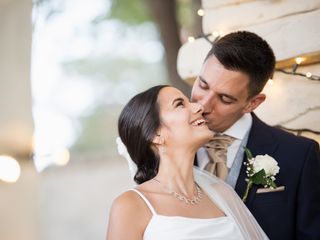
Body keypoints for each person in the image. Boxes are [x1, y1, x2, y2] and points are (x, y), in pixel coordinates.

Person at [191, 31, 320, 239]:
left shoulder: (299, 155)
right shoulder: (163, 144)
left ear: (253, 103)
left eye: (224, 98)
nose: (203, 105)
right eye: (202, 85)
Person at [106, 85, 268, 240]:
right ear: (155, 135)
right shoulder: (130, 206)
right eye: (179, 104)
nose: (199, 107)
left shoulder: (223, 195)